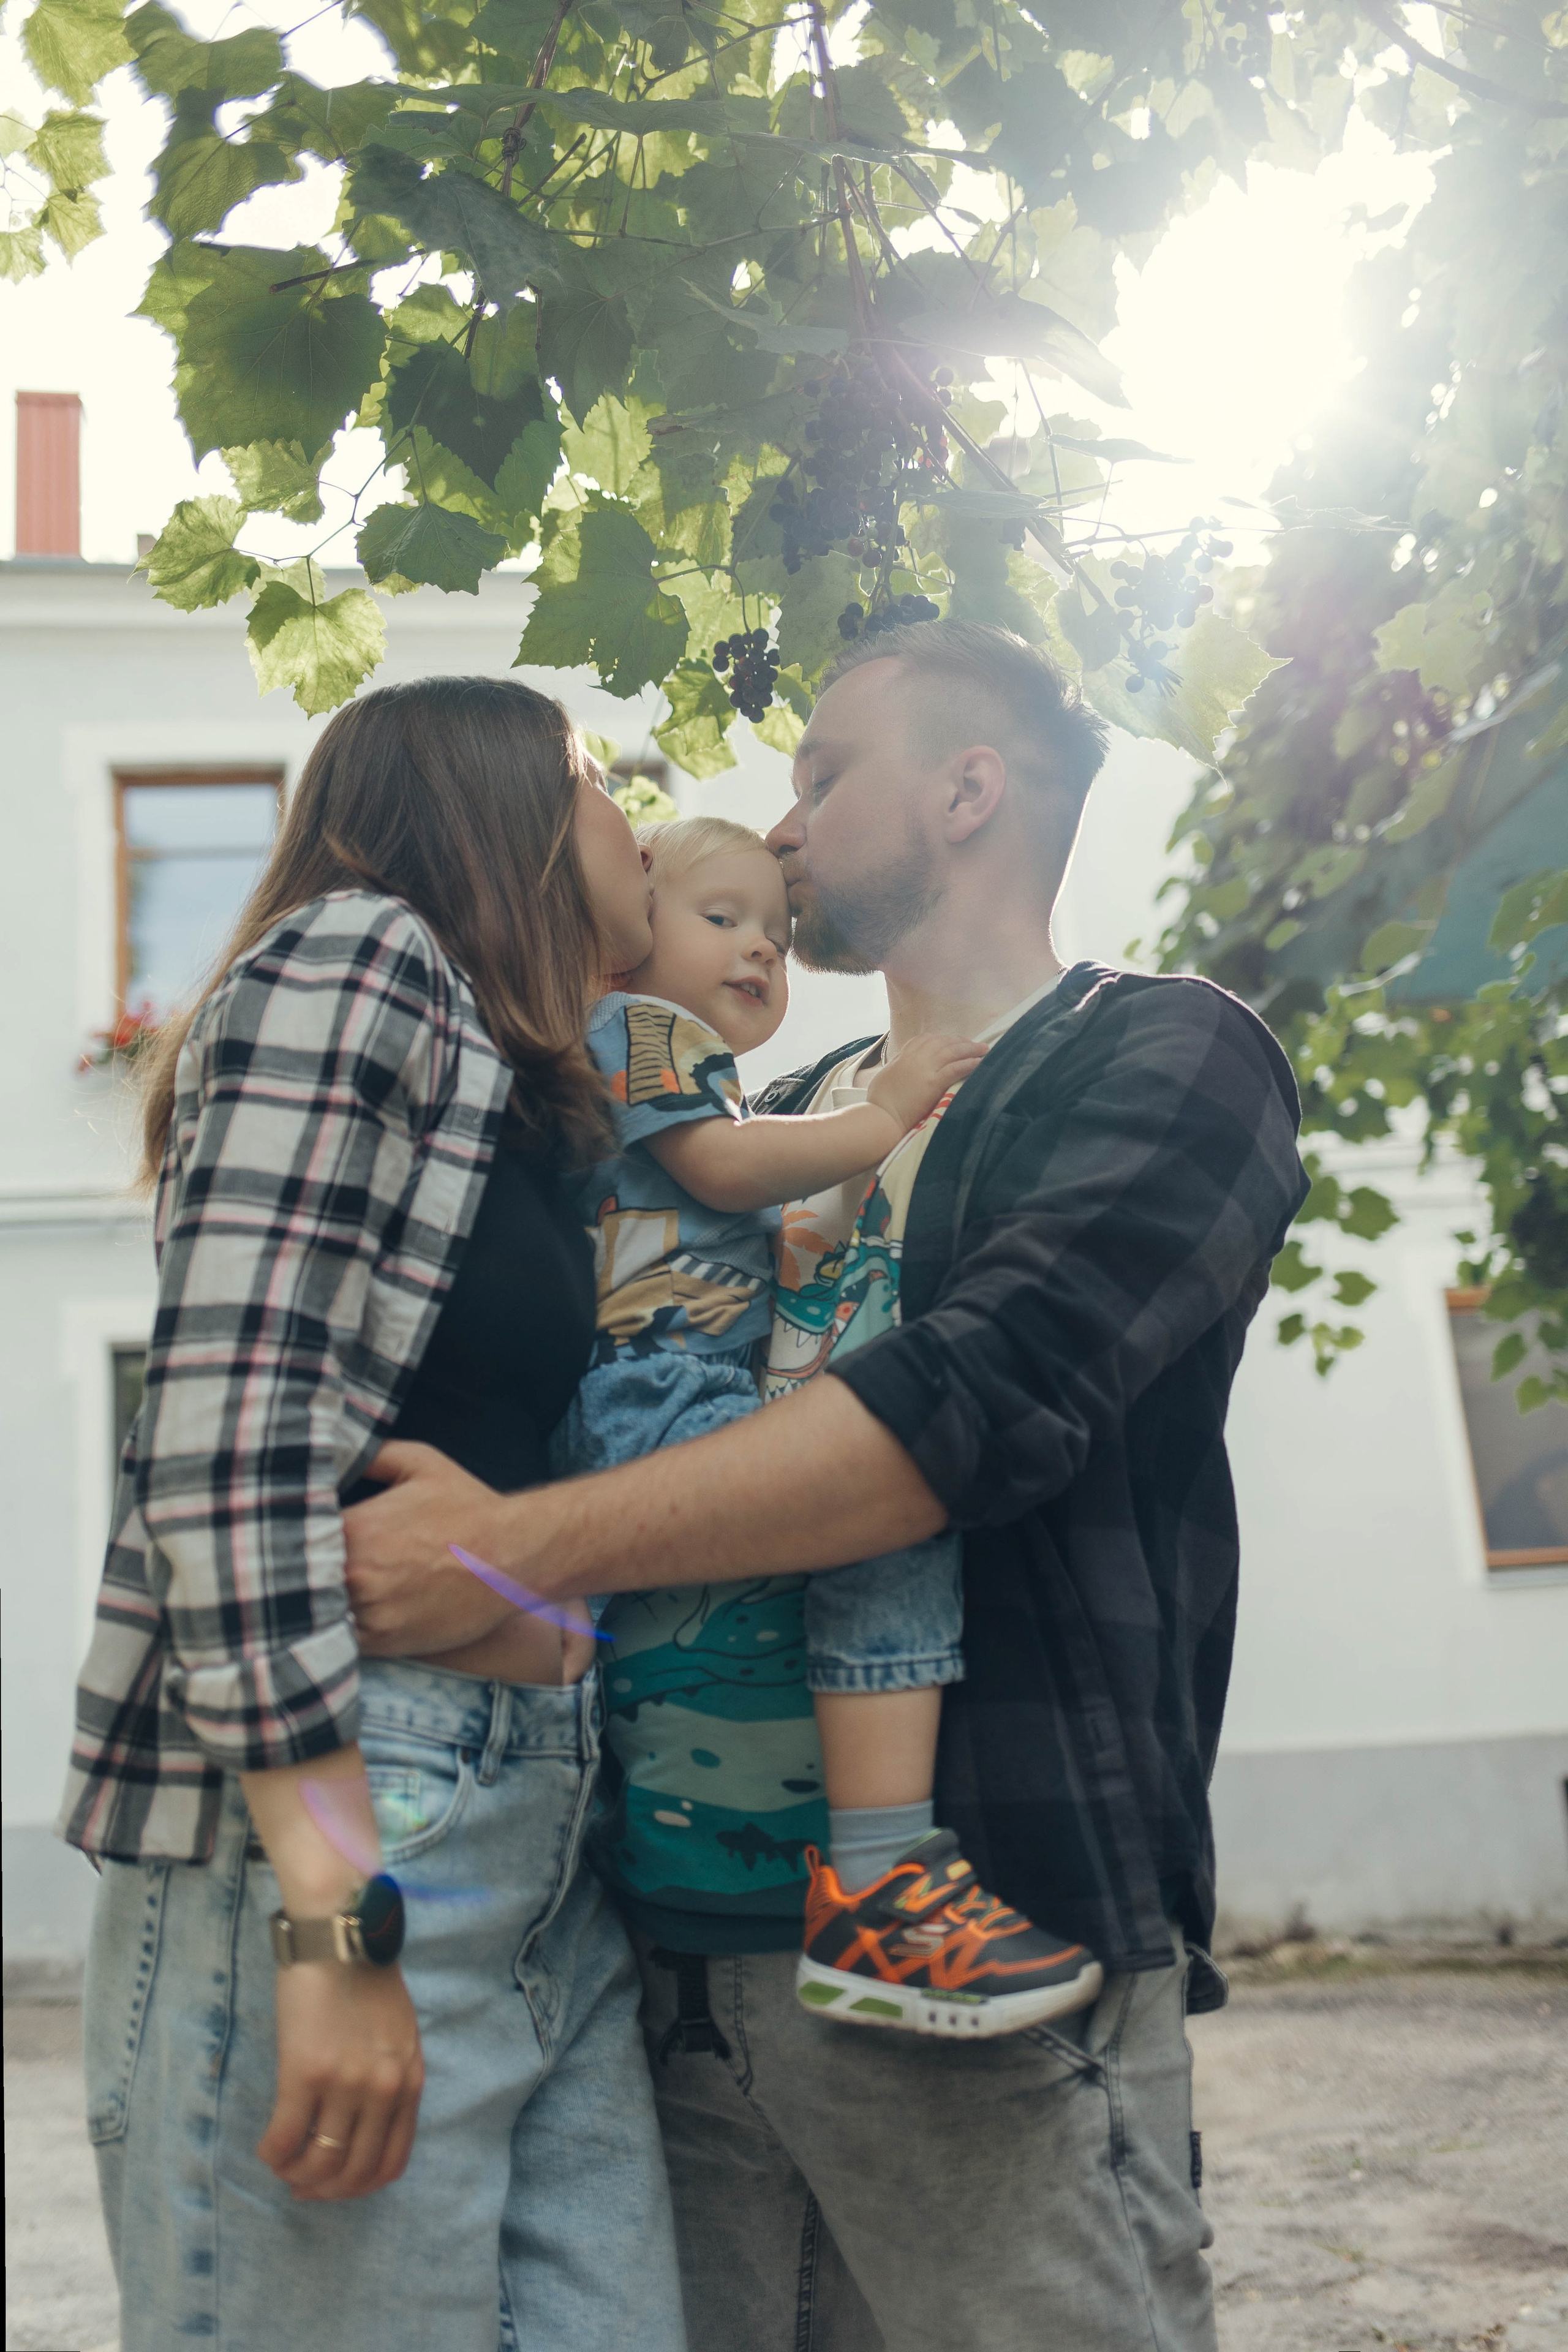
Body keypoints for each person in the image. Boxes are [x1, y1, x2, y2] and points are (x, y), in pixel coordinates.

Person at [342, 622, 1312, 2352]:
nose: (774, 834)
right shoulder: (744, 1116)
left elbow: (953, 1414)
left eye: (822, 777)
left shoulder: (1161, 1059)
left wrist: (499, 1556)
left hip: (989, 1952)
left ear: (967, 790)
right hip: (667, 1959)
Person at [57, 677, 687, 2352]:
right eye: (603, 781)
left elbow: (475, 1476)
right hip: (344, 1832)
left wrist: (546, 1623)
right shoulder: (361, 955)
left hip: (528, 1833)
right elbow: (222, 1442)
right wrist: (338, 1928)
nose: (645, 820)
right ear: (509, 809)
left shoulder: (532, 1096)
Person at [556, 810, 1101, 2035]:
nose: (761, 950)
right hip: (656, 1401)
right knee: (887, 1489)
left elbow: (731, 1206)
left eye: (777, 933)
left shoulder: (675, 1053)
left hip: (657, 1393)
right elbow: (721, 1170)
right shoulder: (641, 1031)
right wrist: (887, 1109)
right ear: (629, 931)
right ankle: (877, 1876)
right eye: (721, 918)